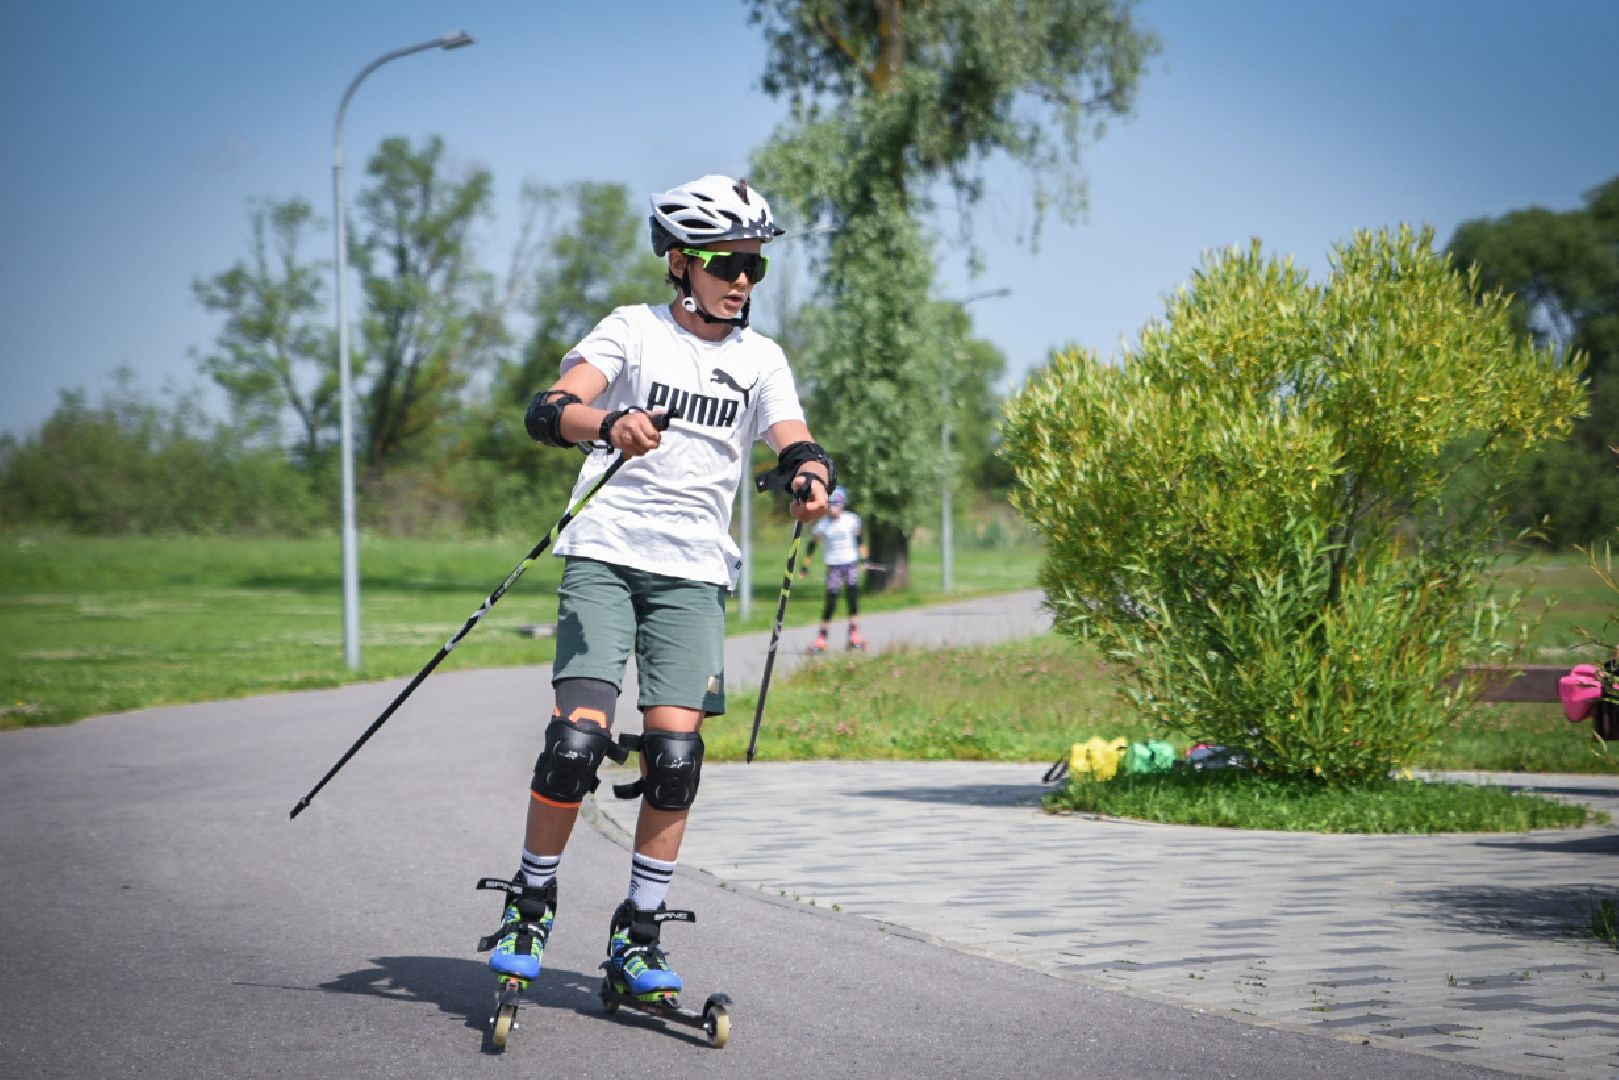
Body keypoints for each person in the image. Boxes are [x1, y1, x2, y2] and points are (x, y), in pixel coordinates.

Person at [479, 174, 834, 1005]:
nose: (741, 279)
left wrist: (808, 475)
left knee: (675, 759)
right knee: (575, 742)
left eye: (753, 265)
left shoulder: (760, 359)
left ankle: (638, 931)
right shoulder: (631, 332)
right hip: (605, 554)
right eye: (724, 262)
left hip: (694, 572)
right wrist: (608, 423)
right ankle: (530, 904)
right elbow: (551, 408)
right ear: (680, 262)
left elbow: (794, 438)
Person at [801, 486, 867, 653]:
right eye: (830, 504)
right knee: (831, 602)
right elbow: (812, 546)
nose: (833, 508)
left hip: (850, 563)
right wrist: (805, 566)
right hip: (834, 566)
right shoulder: (822, 525)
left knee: (853, 599)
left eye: (836, 504)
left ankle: (854, 636)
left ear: (843, 504)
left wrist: (865, 559)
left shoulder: (851, 520)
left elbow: (860, 540)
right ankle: (822, 639)